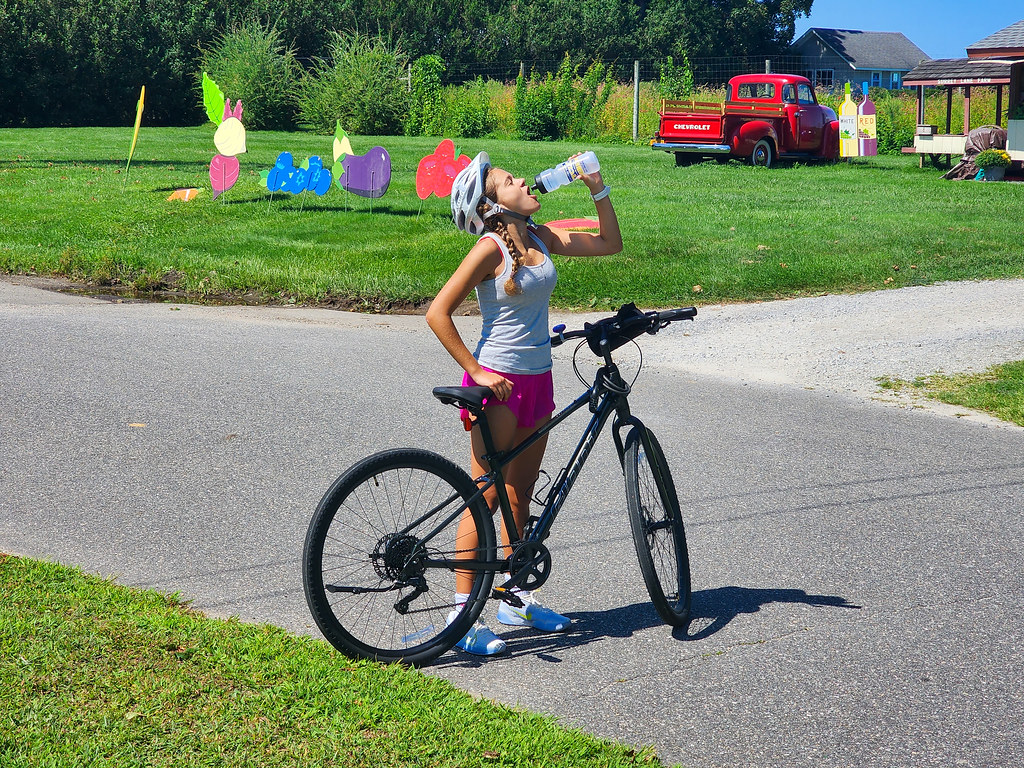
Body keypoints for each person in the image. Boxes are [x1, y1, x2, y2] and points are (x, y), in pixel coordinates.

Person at [426, 151, 622, 655]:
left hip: (538, 379)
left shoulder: (540, 236)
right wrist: (476, 370)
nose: (523, 179)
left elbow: (609, 243)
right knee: (484, 494)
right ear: (491, 205)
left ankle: (513, 598)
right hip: (501, 384)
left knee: (520, 494)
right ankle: (461, 618)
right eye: (509, 180)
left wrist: (596, 187)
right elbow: (437, 312)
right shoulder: (490, 248)